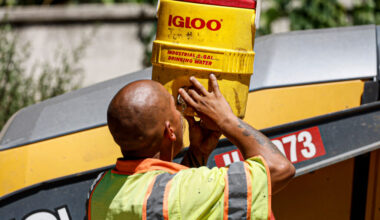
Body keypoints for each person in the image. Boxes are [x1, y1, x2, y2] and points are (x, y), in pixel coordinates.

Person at [86, 74, 295, 220]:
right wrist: (226, 119)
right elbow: (278, 168)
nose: (181, 113)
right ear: (170, 131)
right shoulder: (176, 194)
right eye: (175, 107)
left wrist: (198, 153)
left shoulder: (99, 190)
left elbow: (172, 205)